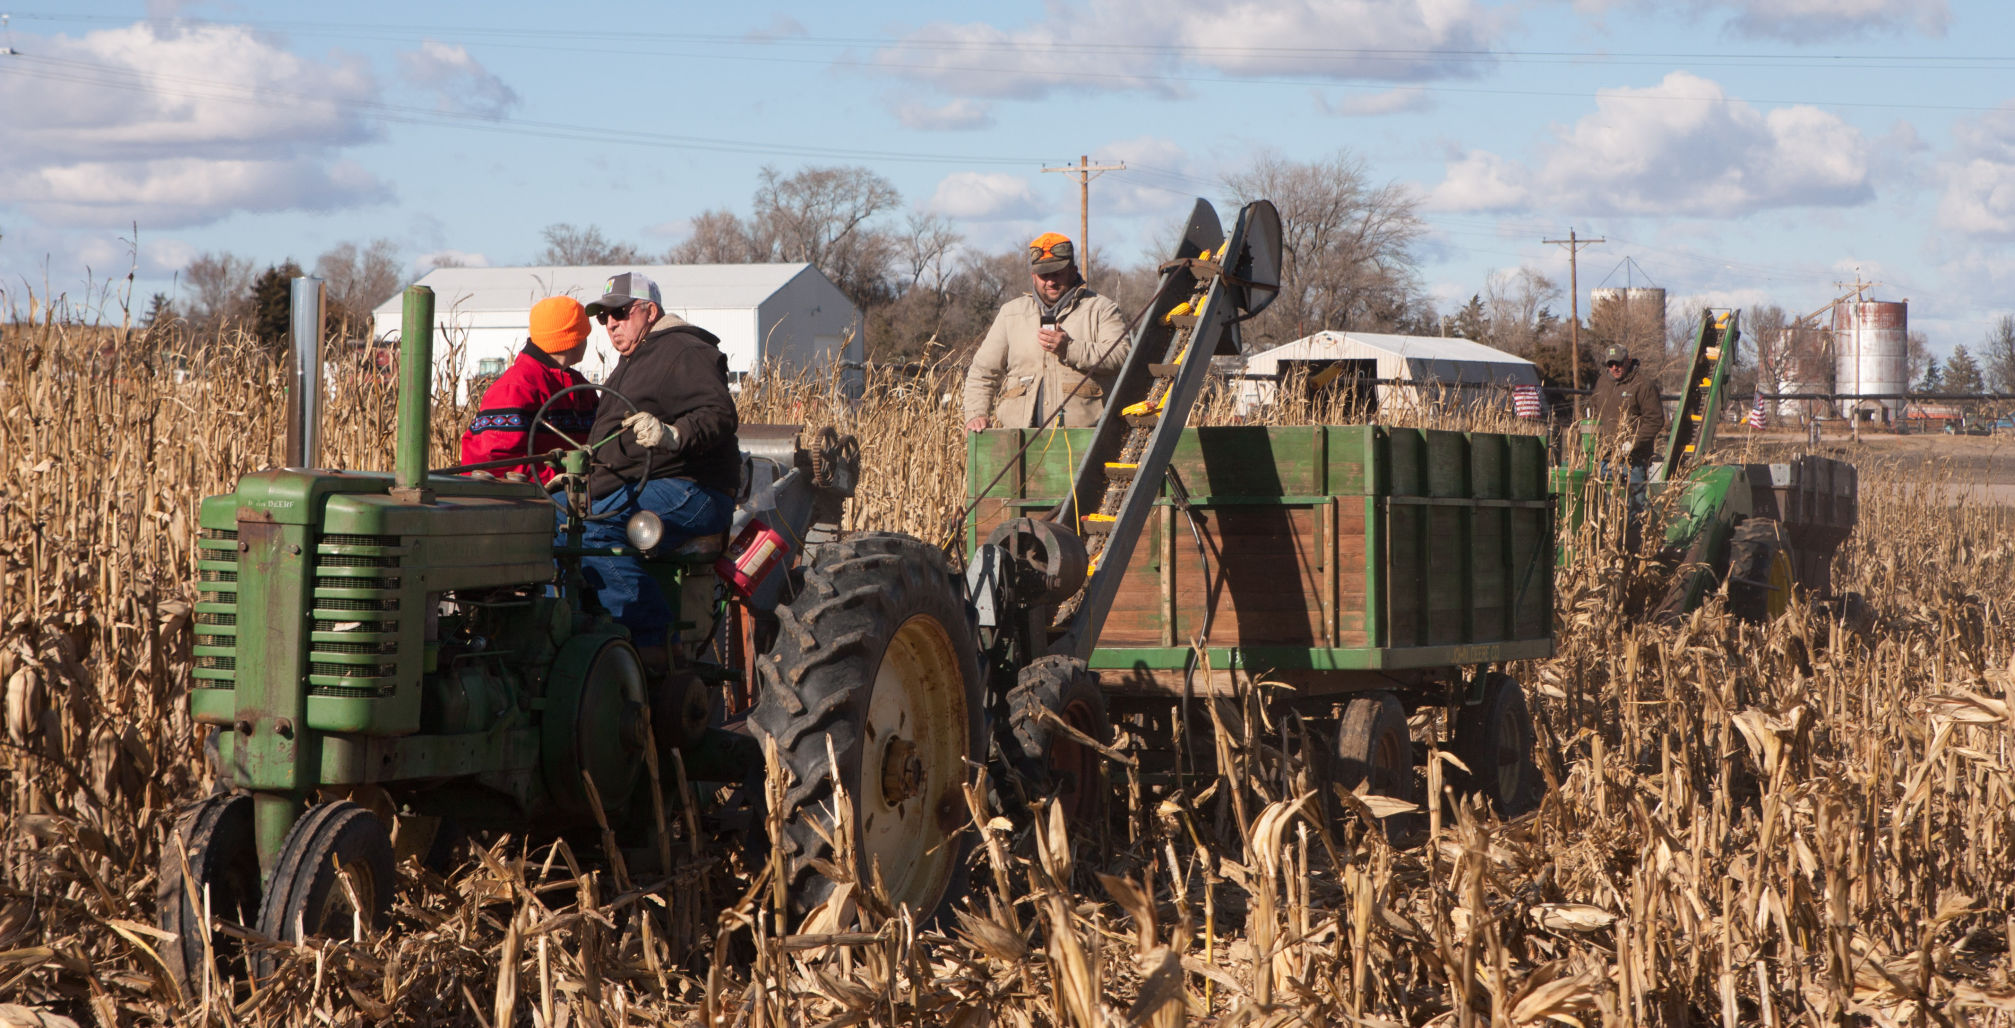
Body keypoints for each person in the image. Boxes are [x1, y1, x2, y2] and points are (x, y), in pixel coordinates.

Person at [566, 271, 740, 666]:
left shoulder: (683, 350)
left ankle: (652, 645)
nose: (610, 324)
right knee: (549, 515)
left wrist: (673, 435)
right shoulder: (633, 359)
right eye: (603, 317)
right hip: (643, 483)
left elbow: (719, 414)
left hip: (694, 490)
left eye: (620, 313)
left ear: (649, 311)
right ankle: (563, 632)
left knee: (589, 527)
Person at [961, 232, 1130, 431]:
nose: (1050, 282)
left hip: (1085, 438)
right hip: (1019, 440)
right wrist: (976, 414)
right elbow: (983, 371)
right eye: (1044, 275)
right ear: (1033, 276)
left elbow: (1122, 356)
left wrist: (1070, 349)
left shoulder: (1101, 309)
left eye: (1057, 273)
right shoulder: (1011, 313)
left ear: (1073, 271)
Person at [459, 297, 598, 482]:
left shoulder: (580, 387)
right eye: (585, 334)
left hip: (568, 492)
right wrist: (562, 478)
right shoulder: (516, 387)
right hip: (518, 499)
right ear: (573, 339)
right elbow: (498, 462)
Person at [1590, 343, 1665, 524]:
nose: (1615, 368)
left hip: (1634, 461)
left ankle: (1636, 543)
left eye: (1619, 363)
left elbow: (1655, 420)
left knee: (1635, 508)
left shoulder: (1643, 385)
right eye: (1610, 364)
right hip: (1606, 458)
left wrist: (1633, 443)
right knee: (1603, 507)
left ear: (1628, 361)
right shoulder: (1602, 384)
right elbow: (1593, 413)